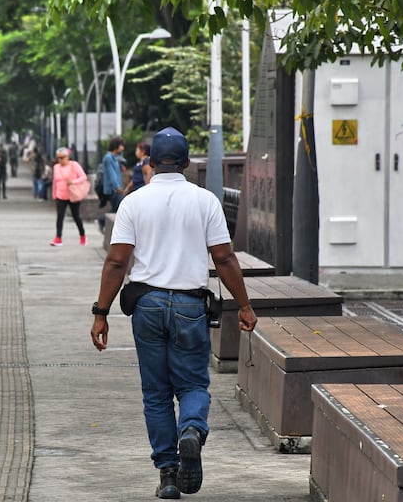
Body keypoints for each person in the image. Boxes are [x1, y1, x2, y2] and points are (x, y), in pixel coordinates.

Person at [89, 127, 257, 499]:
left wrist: (101, 313)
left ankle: (167, 475)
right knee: (193, 384)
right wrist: (244, 305)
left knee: (156, 393)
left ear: (149, 162)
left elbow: (117, 262)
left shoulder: (134, 202)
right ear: (185, 163)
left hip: (146, 305)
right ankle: (192, 431)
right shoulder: (205, 201)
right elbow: (224, 257)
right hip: (189, 306)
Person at [49, 147, 87, 247]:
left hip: (72, 195)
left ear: (68, 157)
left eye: (62, 157)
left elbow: (84, 177)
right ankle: (58, 238)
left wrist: (73, 182)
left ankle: (82, 235)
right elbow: (54, 182)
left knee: (76, 216)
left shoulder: (74, 165)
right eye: (58, 158)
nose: (60, 160)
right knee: (60, 216)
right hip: (60, 195)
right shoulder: (56, 167)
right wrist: (54, 194)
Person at [96, 136, 125, 232]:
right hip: (112, 189)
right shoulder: (108, 158)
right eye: (121, 145)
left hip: (116, 187)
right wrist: (117, 186)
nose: (123, 148)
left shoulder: (114, 158)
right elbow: (111, 173)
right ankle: (102, 221)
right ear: (116, 146)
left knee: (117, 207)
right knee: (118, 208)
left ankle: (102, 221)